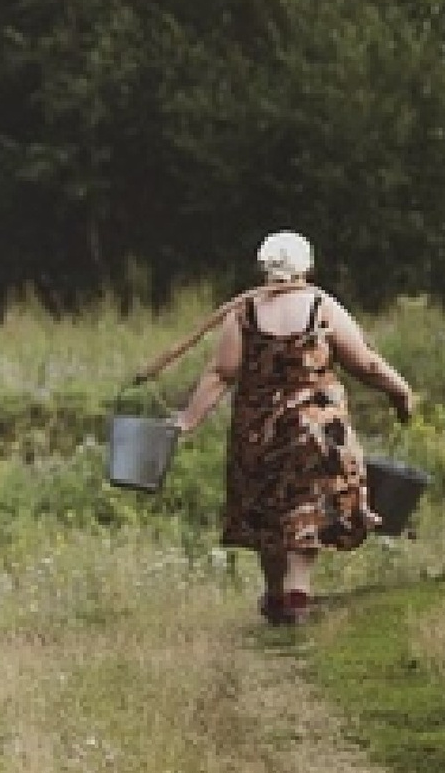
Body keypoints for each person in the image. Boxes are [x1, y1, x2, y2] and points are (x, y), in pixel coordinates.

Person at [171, 230, 417, 626]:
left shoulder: (244, 312)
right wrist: (400, 392)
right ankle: (297, 591)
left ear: (263, 267)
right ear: (308, 266)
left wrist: (188, 420)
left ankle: (275, 593)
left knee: (267, 510)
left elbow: (221, 373)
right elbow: (365, 364)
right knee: (310, 506)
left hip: (258, 429)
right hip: (315, 428)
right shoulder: (322, 307)